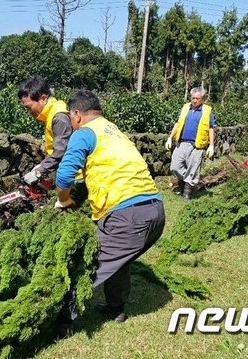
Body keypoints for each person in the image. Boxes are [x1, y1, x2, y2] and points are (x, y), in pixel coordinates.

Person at [55, 90, 165, 329]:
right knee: (118, 260)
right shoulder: (113, 131)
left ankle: (61, 319)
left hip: (129, 217)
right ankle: (116, 308)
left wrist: (64, 201)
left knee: (92, 264)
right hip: (155, 211)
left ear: (76, 115)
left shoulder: (84, 133)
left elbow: (63, 177)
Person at [18, 75, 72, 184]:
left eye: (29, 107)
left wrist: (40, 171)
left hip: (76, 175)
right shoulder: (51, 114)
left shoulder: (59, 117)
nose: (28, 111)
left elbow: (61, 152)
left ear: (43, 99)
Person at [165, 87, 215, 200]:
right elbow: (177, 124)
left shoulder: (207, 111)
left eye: (197, 98)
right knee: (174, 167)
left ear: (202, 99)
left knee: (193, 169)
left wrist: (211, 145)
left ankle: (186, 192)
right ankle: (185, 182)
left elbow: (211, 128)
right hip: (181, 143)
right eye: (193, 98)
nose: (195, 100)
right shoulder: (185, 108)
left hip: (197, 146)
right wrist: (170, 138)